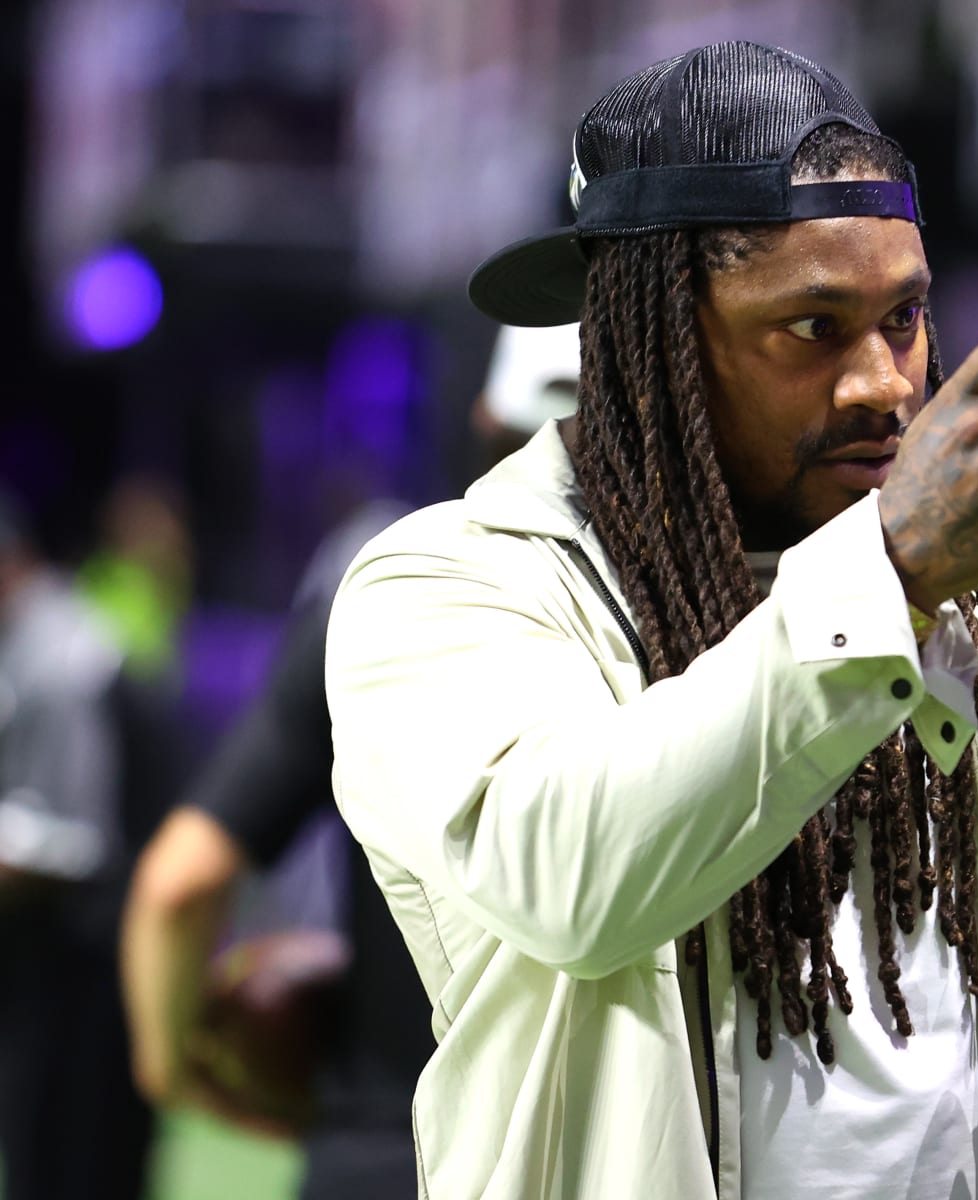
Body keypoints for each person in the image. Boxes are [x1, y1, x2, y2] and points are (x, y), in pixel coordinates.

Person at [326, 41, 978, 1200]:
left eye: (904, 317)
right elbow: (578, 884)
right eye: (812, 328)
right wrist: (892, 569)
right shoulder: (453, 585)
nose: (885, 383)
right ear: (651, 341)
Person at [120, 324, 580, 1197]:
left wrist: (172, 1071)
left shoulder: (381, 601)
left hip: (386, 1148)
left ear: (483, 417)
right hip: (593, 1154)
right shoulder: (708, 622)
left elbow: (179, 883)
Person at [0, 488, 156, 1200]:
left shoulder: (63, 653)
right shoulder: (33, 639)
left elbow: (72, 844)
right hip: (65, 957)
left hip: (89, 963)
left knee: (70, 1159)